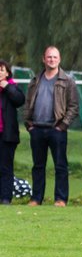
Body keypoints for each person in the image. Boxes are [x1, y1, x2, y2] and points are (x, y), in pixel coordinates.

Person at [22, 45, 78, 207]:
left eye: (54, 57)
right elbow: (27, 104)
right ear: (43, 59)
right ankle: (36, 199)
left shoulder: (67, 81)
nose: (51, 60)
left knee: (60, 166)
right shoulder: (35, 81)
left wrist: (62, 125)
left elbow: (73, 107)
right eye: (49, 57)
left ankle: (60, 199)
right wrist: (29, 124)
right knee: (38, 166)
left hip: (57, 130)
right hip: (37, 129)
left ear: (59, 59)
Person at [0, 60, 26, 204]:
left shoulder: (13, 88)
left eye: (2, 70)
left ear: (7, 73)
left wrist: (7, 87)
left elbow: (19, 100)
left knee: (5, 167)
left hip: (7, 135)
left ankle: (5, 198)